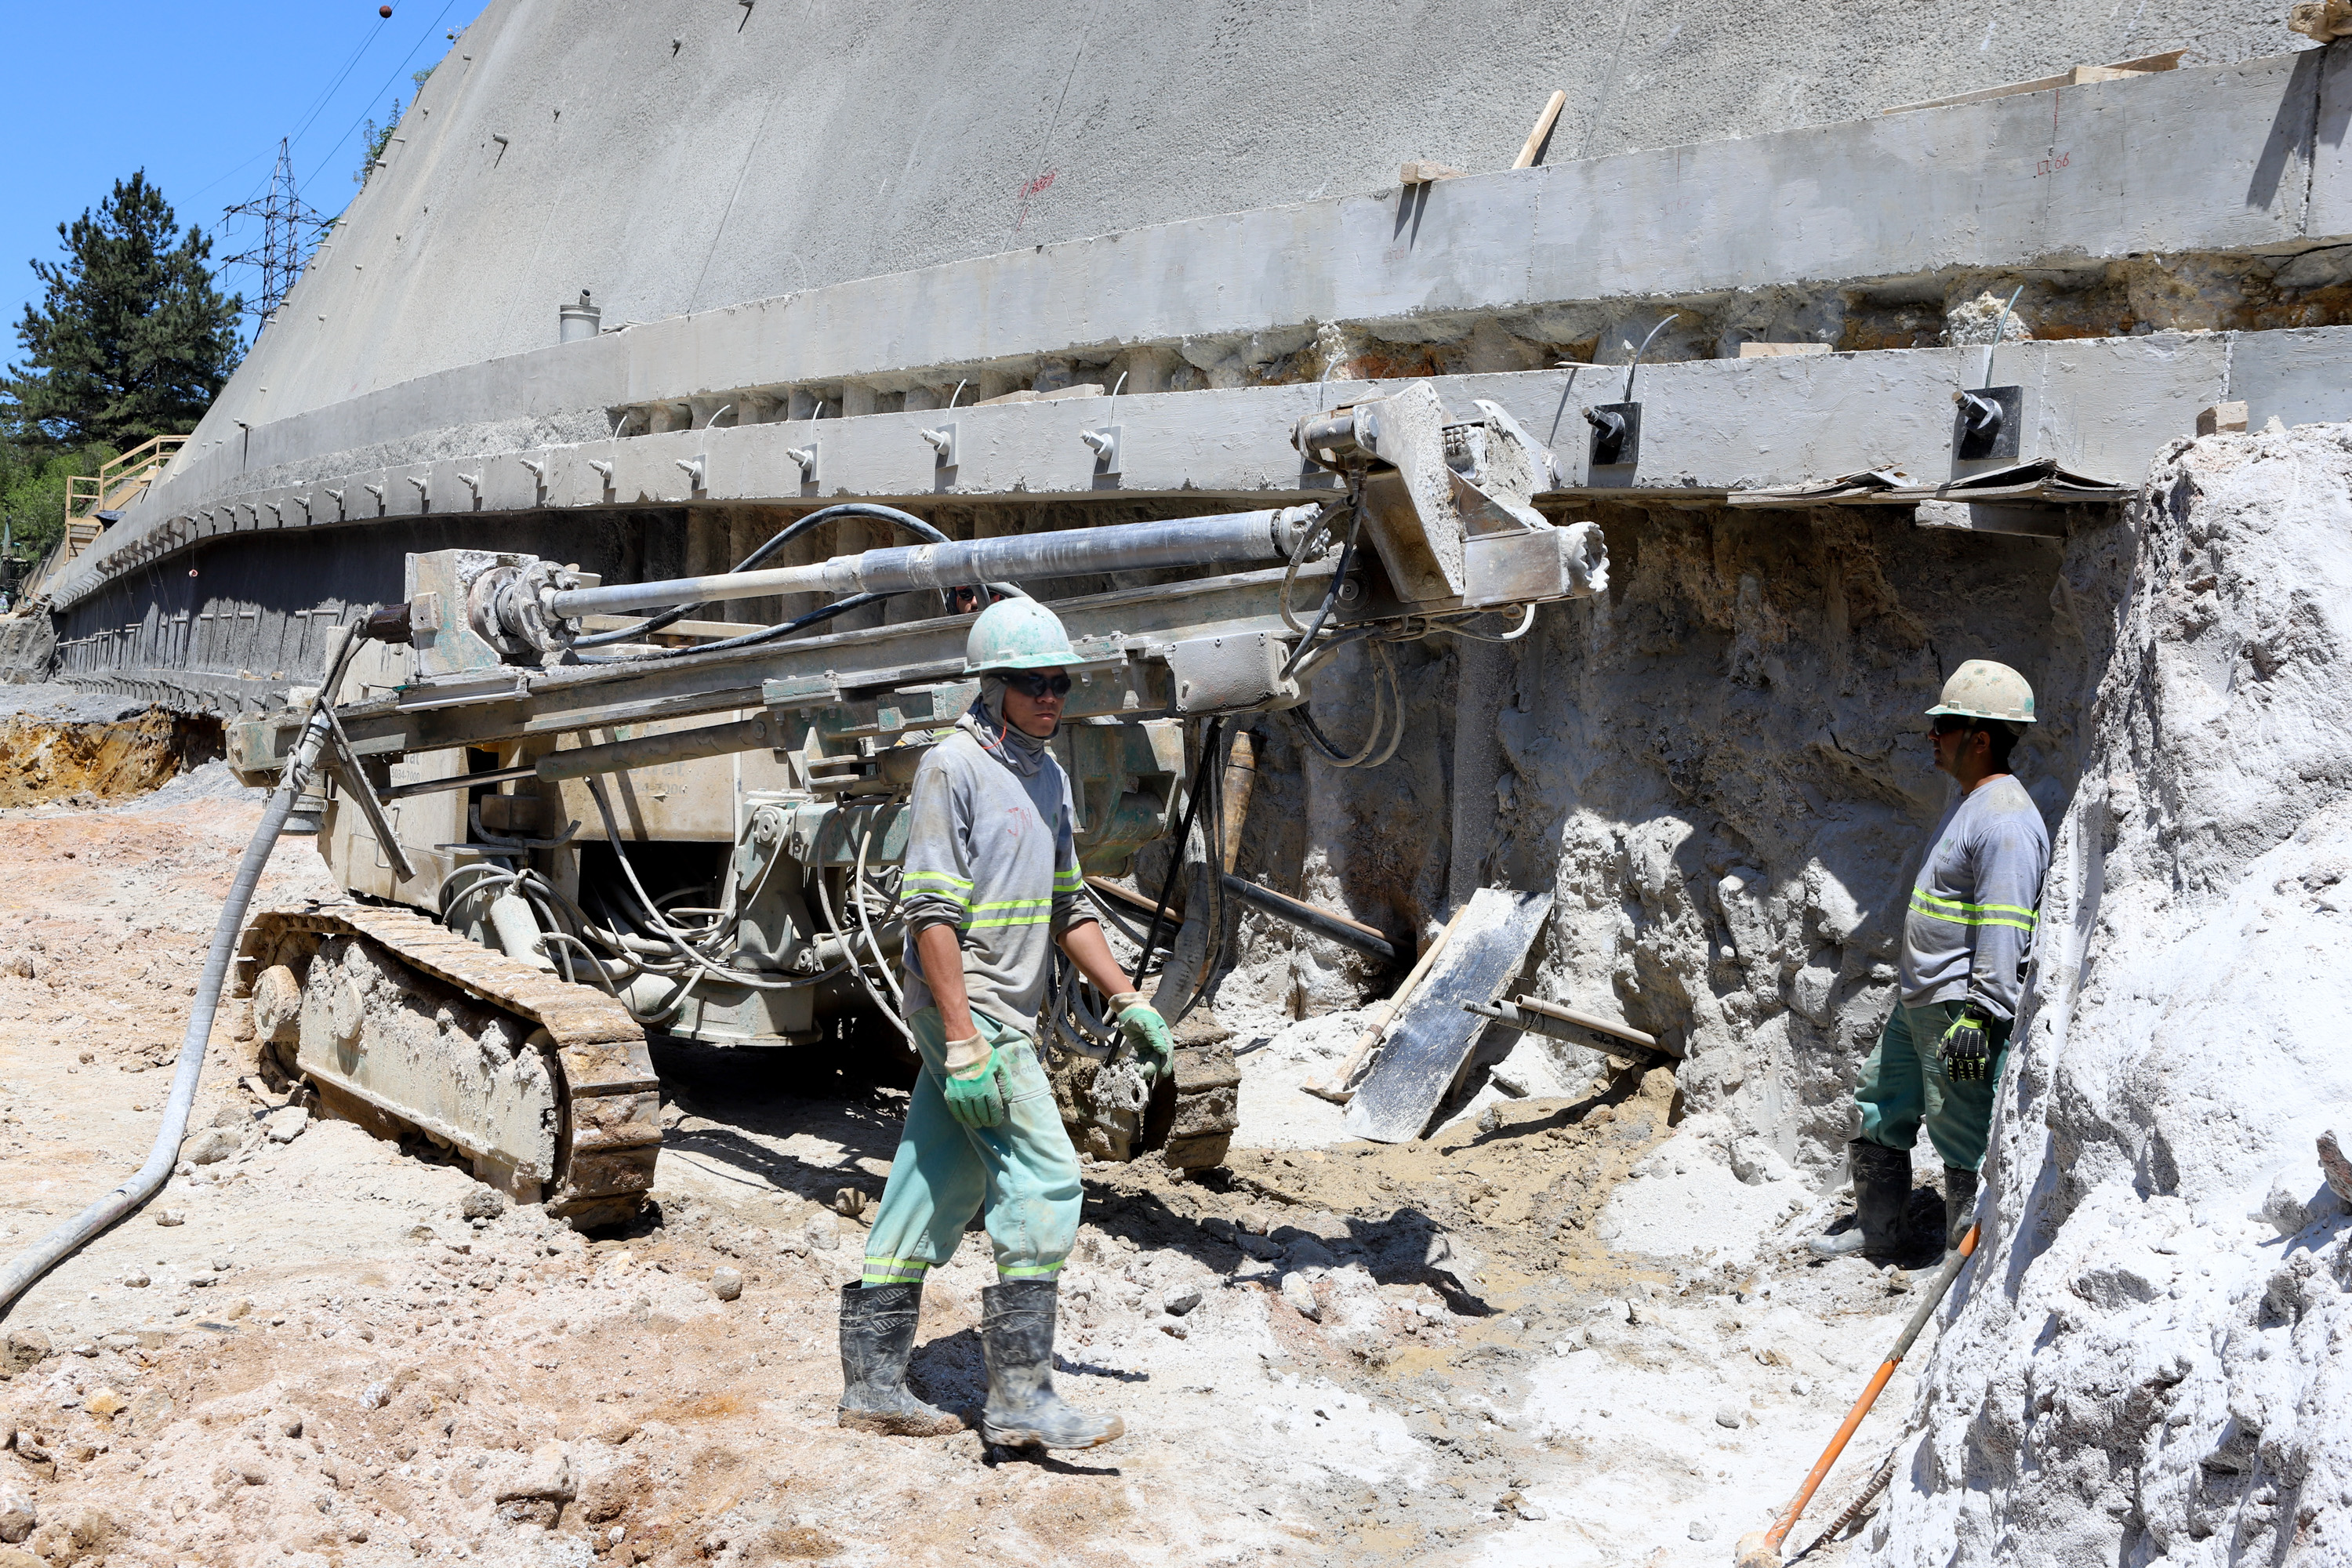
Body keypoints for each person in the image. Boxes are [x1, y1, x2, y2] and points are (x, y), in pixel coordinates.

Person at [837, 595, 1174, 1449]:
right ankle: (1021, 1397)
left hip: (996, 1013)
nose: (1051, 696)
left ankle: (873, 1385)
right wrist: (963, 1036)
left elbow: (1069, 903)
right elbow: (931, 915)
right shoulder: (954, 766)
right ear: (993, 685)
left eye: (1061, 682)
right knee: (1047, 1177)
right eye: (1033, 683)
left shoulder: (1048, 775)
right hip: (971, 1007)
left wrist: (1127, 995)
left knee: (935, 1178)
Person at [1813, 660, 2050, 1262]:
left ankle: (1960, 1262)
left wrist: (1981, 1013)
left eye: (1945, 725)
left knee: (1960, 1131)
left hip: (1958, 1010)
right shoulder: (1974, 802)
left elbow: (2006, 925)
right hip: (1922, 1001)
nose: (1932, 735)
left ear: (1982, 738)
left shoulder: (2005, 821)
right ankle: (1879, 1230)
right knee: (1879, 1102)